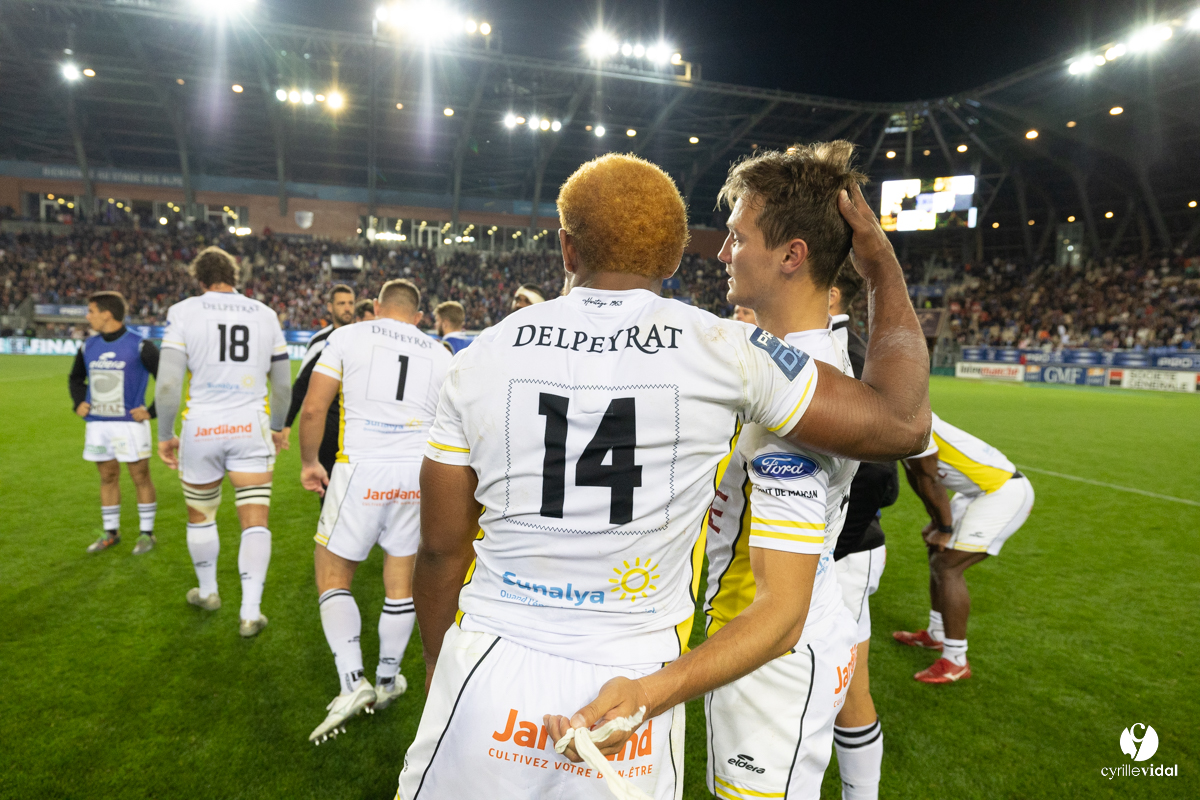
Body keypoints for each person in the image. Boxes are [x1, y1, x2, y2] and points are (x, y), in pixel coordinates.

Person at [401, 152, 930, 799]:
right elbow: (904, 425)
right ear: (677, 255)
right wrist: (880, 265)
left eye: (735, 236)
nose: (725, 251)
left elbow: (438, 547)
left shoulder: (479, 355)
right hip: (634, 680)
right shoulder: (729, 352)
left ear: (566, 249)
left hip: (491, 659)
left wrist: (437, 664)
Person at [703, 143, 866, 800]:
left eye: (737, 237)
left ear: (792, 256)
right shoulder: (799, 366)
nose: (722, 253)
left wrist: (659, 688)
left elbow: (782, 606)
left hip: (769, 655)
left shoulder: (797, 396)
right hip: (776, 642)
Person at [299, 279, 452, 743]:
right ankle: (387, 680)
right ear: (419, 316)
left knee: (333, 572)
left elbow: (313, 408)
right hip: (415, 472)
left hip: (361, 467)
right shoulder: (441, 353)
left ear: (376, 308)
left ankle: (352, 682)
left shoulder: (347, 336)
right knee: (401, 579)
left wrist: (309, 462)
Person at [154, 246, 292, 638]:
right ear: (235, 275)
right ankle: (250, 611)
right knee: (254, 519)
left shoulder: (184, 312)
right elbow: (281, 385)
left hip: (202, 427)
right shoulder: (266, 314)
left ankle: (209, 591)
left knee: (201, 513)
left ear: (199, 279)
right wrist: (279, 426)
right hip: (250, 425)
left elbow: (167, 384)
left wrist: (166, 436)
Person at [893, 413, 1034, 683]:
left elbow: (929, 478)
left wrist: (944, 528)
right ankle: (936, 635)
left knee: (948, 566)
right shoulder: (900, 418)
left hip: (1001, 491)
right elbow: (916, 476)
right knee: (938, 554)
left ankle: (956, 660)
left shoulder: (910, 420)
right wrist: (937, 522)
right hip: (977, 491)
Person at [830, 264, 895, 800]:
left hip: (845, 556)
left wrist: (828, 553)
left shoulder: (846, 357)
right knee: (848, 684)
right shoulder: (834, 350)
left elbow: (879, 477)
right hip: (848, 553)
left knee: (837, 684)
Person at [69, 291, 160, 554]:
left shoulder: (141, 345)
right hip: (98, 425)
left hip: (129, 425)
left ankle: (146, 534)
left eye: (91, 311)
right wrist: (78, 402)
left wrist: (151, 411)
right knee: (107, 475)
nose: (88, 317)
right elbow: (75, 378)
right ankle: (111, 533)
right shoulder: (88, 346)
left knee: (140, 476)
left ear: (107, 314)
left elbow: (166, 380)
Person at [282, 285, 356, 494]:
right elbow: (302, 384)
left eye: (350, 303)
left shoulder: (364, 338)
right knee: (330, 490)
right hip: (330, 427)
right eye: (342, 303)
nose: (347, 308)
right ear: (330, 308)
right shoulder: (321, 342)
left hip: (358, 424)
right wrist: (286, 424)